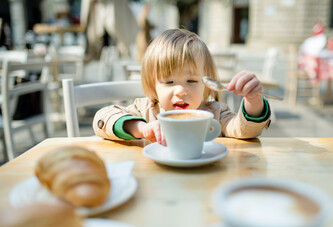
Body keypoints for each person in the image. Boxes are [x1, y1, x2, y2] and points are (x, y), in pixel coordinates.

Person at [93, 29, 271, 145]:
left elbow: (245, 130)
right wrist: (140, 129)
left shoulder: (215, 113)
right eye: (169, 82)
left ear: (206, 83)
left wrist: (253, 101)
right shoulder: (144, 111)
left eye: (192, 81)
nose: (181, 91)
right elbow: (101, 119)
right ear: (152, 85)